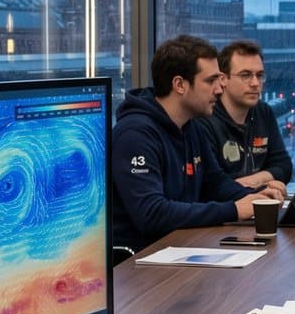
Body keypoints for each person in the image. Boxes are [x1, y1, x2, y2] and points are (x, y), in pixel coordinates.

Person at [109, 36, 285, 257]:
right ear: (180, 85)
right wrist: (235, 209)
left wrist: (258, 197)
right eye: (211, 81)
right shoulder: (135, 136)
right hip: (139, 262)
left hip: (179, 247)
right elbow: (151, 213)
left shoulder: (191, 127)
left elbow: (216, 184)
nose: (220, 89)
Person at [198, 39, 295, 190]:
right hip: (228, 211)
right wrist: (266, 181)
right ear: (223, 79)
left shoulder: (264, 112)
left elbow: (284, 166)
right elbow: (214, 186)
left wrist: (255, 181)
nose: (255, 83)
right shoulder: (205, 120)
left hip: (259, 204)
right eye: (246, 75)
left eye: (260, 75)